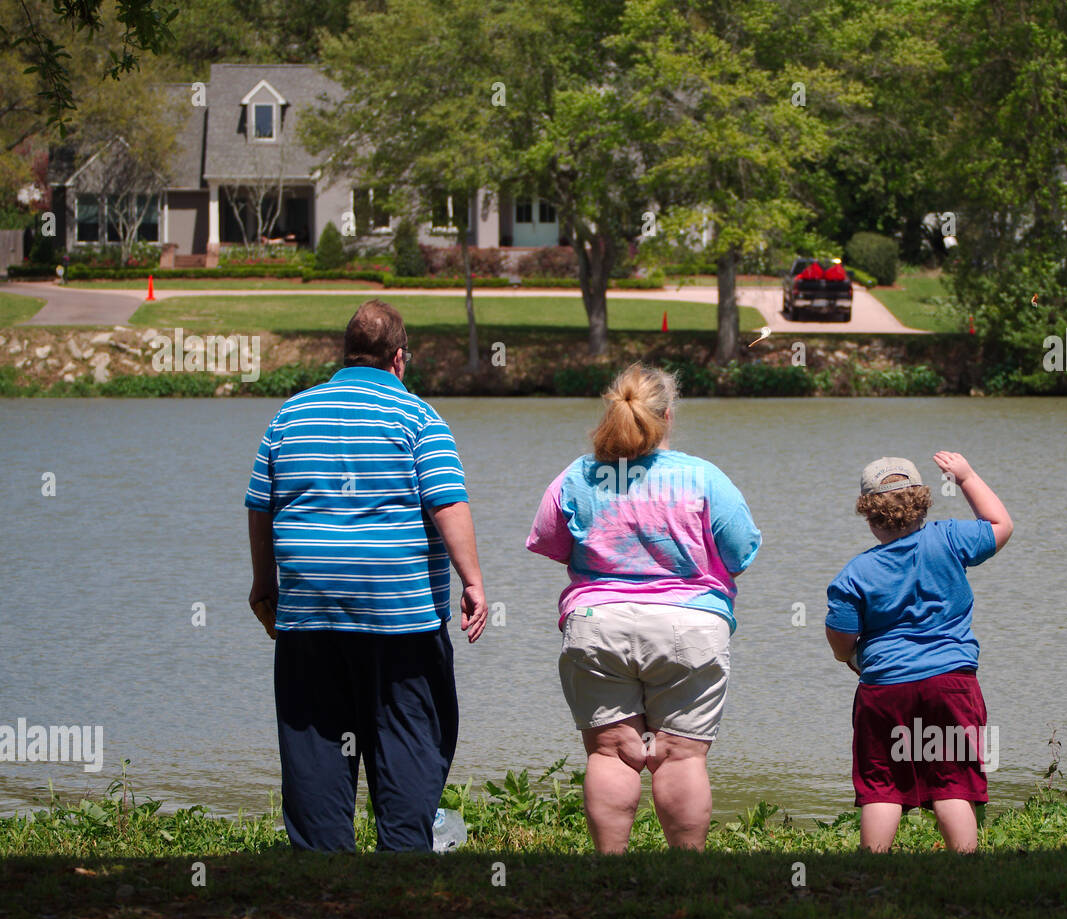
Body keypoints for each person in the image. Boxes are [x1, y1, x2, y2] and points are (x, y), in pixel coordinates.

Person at [244, 298, 487, 852]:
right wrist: (472, 579)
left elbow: (261, 504)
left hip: (310, 614)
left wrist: (264, 585)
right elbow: (447, 501)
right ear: (399, 359)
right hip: (401, 618)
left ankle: (324, 864)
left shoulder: (290, 416)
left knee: (315, 742)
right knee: (408, 735)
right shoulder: (419, 418)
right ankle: (403, 854)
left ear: (345, 354)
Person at [525, 363, 761, 854]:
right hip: (691, 623)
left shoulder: (576, 475)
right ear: (668, 416)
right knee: (680, 758)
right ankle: (686, 873)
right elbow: (741, 553)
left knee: (611, 754)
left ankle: (610, 869)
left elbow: (550, 542)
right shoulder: (703, 477)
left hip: (598, 623)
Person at [824, 452, 1012, 853]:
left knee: (882, 786)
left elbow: (840, 636)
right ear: (923, 502)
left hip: (885, 690)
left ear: (869, 516)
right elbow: (1000, 525)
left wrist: (853, 659)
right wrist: (966, 476)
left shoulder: (853, 575)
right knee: (952, 781)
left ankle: (871, 864)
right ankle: (964, 865)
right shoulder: (949, 539)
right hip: (951, 683)